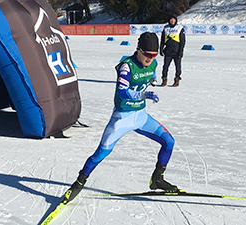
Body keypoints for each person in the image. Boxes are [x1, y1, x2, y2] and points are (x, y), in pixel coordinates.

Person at [63, 32, 178, 204]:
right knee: (100, 153)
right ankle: (78, 184)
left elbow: (150, 75)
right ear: (138, 50)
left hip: (140, 116)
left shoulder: (153, 63)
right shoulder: (127, 66)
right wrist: (143, 93)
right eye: (147, 55)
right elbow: (123, 92)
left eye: (154, 55)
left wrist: (152, 80)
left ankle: (157, 179)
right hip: (122, 118)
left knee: (169, 142)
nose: (150, 59)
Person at [160, 14, 186, 87]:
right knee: (165, 66)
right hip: (168, 50)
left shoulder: (180, 28)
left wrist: (181, 51)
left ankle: (177, 80)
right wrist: (161, 48)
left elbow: (183, 41)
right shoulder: (165, 28)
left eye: (174, 19)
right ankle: (164, 80)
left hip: (177, 50)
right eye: (171, 19)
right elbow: (162, 40)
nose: (172, 21)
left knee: (178, 67)